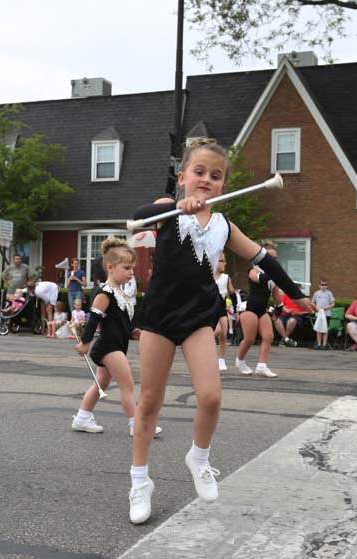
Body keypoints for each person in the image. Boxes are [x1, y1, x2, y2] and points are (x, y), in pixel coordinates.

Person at [127, 139, 314, 524]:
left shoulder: (224, 227)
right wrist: (177, 207)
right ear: (182, 178)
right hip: (159, 318)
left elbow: (264, 259)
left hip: (198, 317)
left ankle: (199, 458)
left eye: (215, 176)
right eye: (198, 172)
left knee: (211, 397)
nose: (206, 180)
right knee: (149, 402)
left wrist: (297, 295)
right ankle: (139, 481)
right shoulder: (166, 213)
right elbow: (137, 216)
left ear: (223, 185)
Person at [72, 237, 163, 438]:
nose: (131, 272)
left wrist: (133, 331)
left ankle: (82, 417)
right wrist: (85, 343)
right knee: (127, 385)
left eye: (132, 267)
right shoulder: (105, 293)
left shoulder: (120, 293)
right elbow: (93, 320)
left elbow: (121, 321)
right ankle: (137, 424)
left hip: (118, 344)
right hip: (108, 346)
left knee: (101, 383)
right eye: (127, 267)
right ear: (110, 267)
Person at [235, 240, 282, 378]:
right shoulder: (254, 271)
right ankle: (240, 361)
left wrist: (279, 308)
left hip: (262, 310)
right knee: (249, 339)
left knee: (269, 337)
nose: (273, 261)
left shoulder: (273, 277)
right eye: (270, 258)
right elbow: (261, 279)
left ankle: (262, 366)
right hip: (249, 309)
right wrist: (275, 273)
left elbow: (276, 294)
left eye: (275, 259)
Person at [213, 254, 236, 371]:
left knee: (223, 333)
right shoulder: (209, 277)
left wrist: (235, 308)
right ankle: (208, 355)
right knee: (216, 331)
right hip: (210, 308)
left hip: (222, 307)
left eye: (224, 261)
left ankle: (221, 359)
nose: (224, 263)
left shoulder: (226, 278)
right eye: (221, 261)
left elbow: (232, 294)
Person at [311, 279, 335, 350]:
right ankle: (318, 344)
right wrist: (316, 308)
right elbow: (312, 303)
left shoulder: (329, 293)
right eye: (322, 285)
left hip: (326, 314)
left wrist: (326, 308)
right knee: (318, 329)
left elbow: (333, 303)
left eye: (325, 285)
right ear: (319, 285)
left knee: (325, 329)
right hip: (318, 314)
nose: (324, 286)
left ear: (327, 286)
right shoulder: (316, 293)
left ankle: (324, 345)